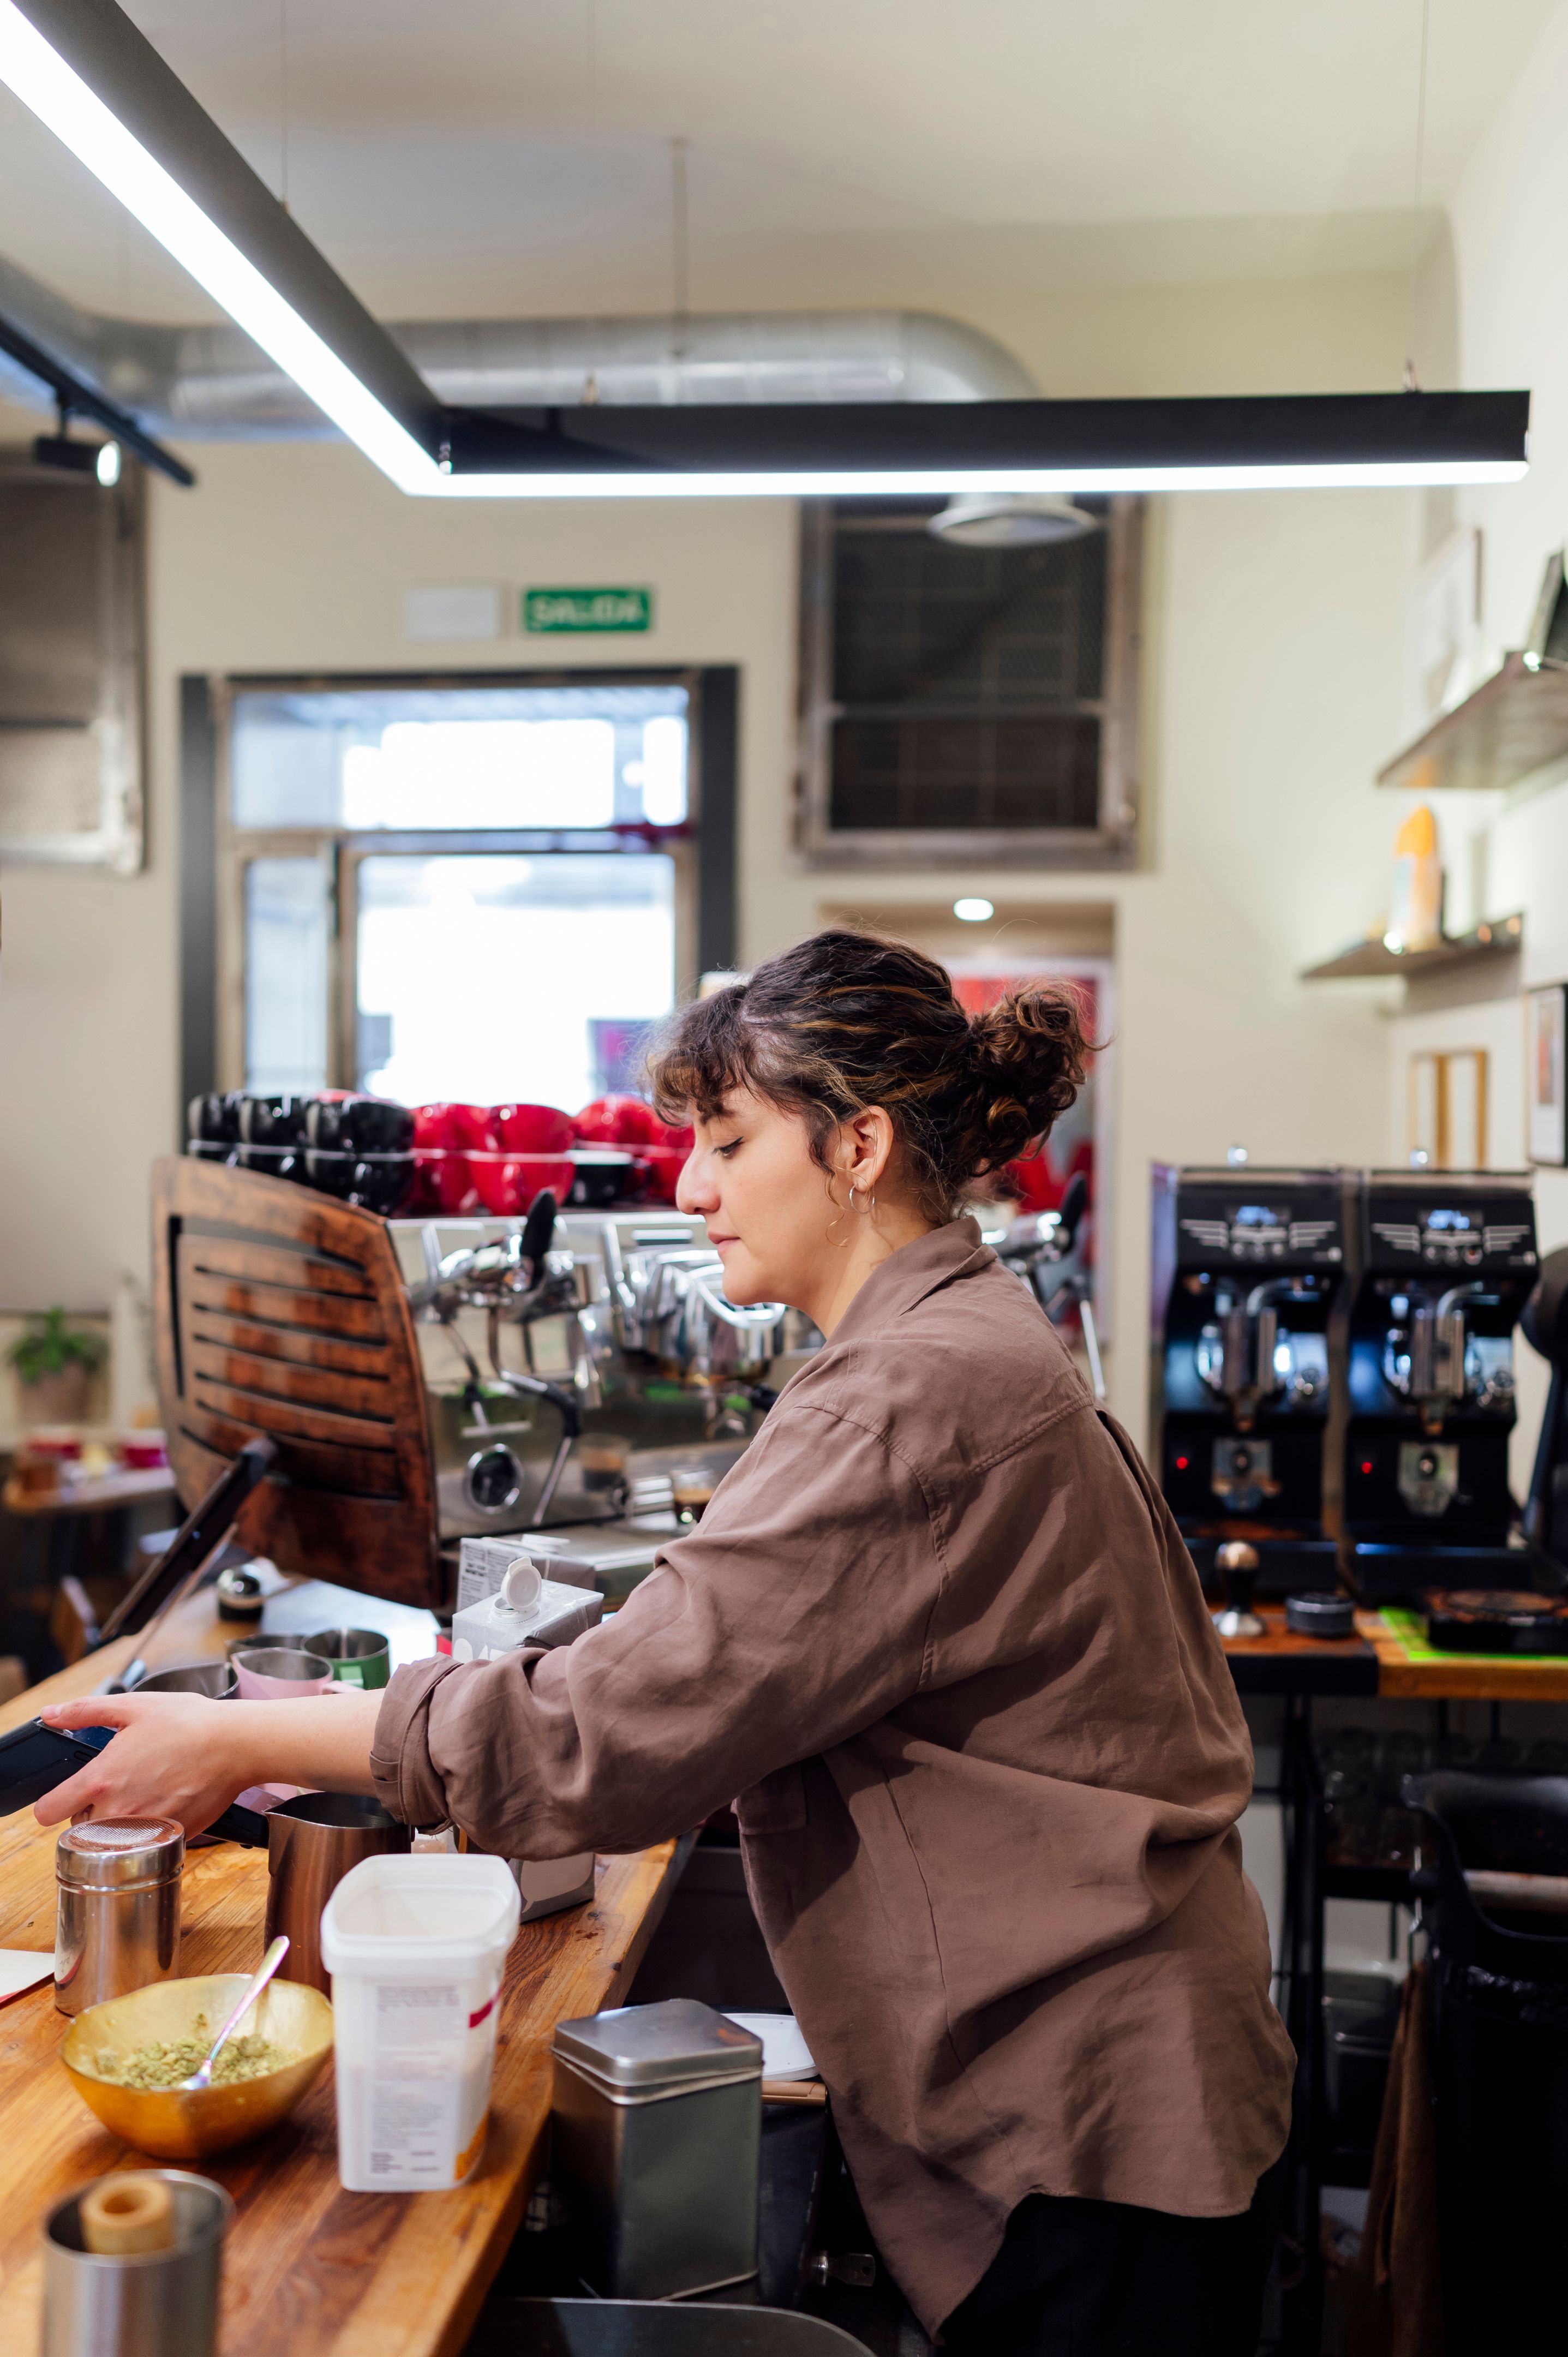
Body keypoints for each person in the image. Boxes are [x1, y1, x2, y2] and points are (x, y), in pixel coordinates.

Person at [38, 930, 1294, 2356]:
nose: (691, 1188)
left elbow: (599, 1736)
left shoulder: (904, 1396)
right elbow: (721, 1649)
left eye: (729, 1140)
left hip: (1085, 2128)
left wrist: (242, 1737)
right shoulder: (950, 1340)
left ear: (858, 1146)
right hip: (1120, 2081)